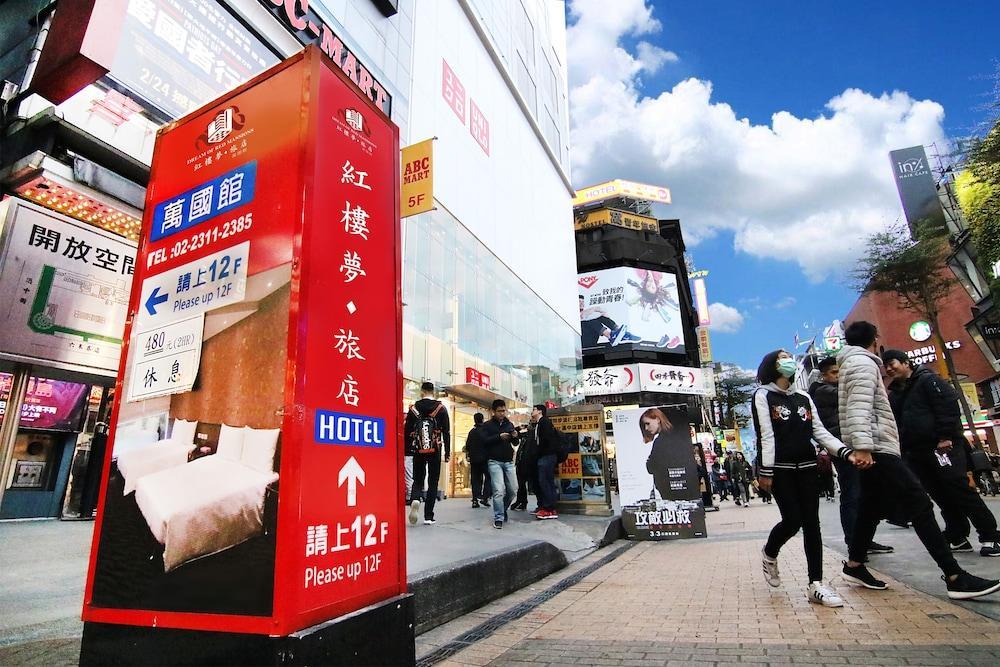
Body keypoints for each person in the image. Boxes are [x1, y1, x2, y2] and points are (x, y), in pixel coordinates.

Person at [837, 322, 1000, 600]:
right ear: (875, 340)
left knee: (869, 507)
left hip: (879, 446)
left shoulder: (855, 364)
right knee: (920, 505)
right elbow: (859, 407)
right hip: (877, 447)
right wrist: (863, 447)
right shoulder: (863, 365)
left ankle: (854, 564)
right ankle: (954, 575)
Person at [754, 349, 856, 607]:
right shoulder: (763, 395)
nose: (787, 361)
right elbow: (766, 435)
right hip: (781, 470)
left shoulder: (803, 397)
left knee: (813, 524)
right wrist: (765, 472)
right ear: (772, 365)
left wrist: (845, 452)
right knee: (792, 521)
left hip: (808, 467)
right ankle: (770, 552)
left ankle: (816, 584)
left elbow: (819, 431)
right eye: (782, 357)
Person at [882, 349, 1000, 558]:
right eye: (887, 366)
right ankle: (957, 535)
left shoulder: (928, 380)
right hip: (916, 452)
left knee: (959, 489)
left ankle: (991, 535)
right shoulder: (896, 393)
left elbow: (947, 408)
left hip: (943, 446)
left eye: (892, 363)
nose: (890, 369)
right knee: (940, 494)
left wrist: (946, 437)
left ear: (906, 362)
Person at [809, 356, 894, 554]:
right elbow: (854, 394)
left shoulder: (834, 390)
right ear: (823, 376)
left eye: (840, 372)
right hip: (844, 448)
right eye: (834, 373)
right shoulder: (824, 392)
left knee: (863, 494)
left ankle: (863, 539)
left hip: (855, 445)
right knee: (852, 494)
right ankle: (855, 541)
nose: (839, 376)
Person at [404, 382, 451, 525]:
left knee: (418, 479)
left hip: (418, 449)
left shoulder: (413, 409)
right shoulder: (441, 408)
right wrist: (447, 452)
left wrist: (408, 450)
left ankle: (416, 499)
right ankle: (429, 516)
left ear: (422, 391)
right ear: (433, 392)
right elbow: (446, 432)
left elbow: (407, 432)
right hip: (435, 449)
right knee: (433, 481)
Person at [641, 408, 699, 499]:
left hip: (670, 491)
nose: (646, 428)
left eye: (647, 423)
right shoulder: (675, 435)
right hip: (682, 486)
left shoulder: (660, 441)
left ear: (657, 419)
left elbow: (650, 467)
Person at [481, 399, 520, 529]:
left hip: (508, 461)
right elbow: (484, 441)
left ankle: (503, 509)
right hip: (494, 461)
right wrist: (499, 437)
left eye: (504, 411)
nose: (502, 413)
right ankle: (499, 517)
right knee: (498, 490)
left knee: (513, 490)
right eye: (500, 411)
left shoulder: (509, 424)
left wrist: (514, 436)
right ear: (493, 411)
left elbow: (515, 443)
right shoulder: (487, 425)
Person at [532, 404, 561, 520]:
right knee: (544, 481)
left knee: (545, 481)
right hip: (545, 456)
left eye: (534, 409)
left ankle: (549, 509)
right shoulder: (540, 423)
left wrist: (539, 452)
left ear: (539, 411)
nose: (532, 411)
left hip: (547, 456)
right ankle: (546, 507)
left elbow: (545, 441)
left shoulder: (544, 422)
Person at [511, 413, 538, 512]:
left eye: (532, 422)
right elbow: (515, 435)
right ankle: (521, 501)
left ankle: (538, 504)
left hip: (529, 462)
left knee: (533, 485)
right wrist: (518, 427)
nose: (530, 424)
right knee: (521, 484)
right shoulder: (526, 434)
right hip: (521, 461)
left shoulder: (535, 434)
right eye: (530, 422)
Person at [464, 413, 490, 508]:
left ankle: (475, 499)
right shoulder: (486, 431)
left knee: (475, 479)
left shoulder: (472, 432)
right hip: (485, 459)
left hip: (474, 460)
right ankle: (485, 496)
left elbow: (467, 446)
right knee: (488, 477)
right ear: (482, 419)